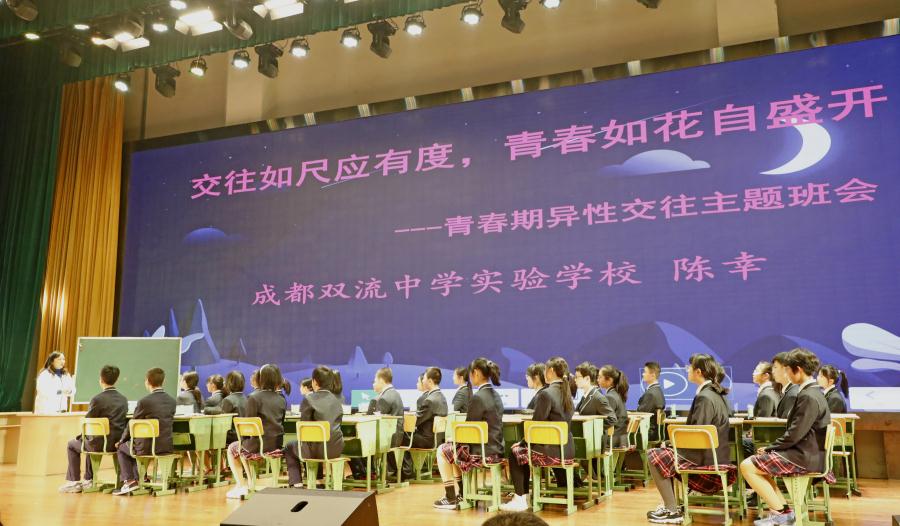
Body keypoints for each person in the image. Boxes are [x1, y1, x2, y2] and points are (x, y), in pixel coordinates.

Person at [741, 348, 833, 526]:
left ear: (798, 369)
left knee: (747, 466)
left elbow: (795, 434)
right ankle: (783, 512)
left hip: (804, 457)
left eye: (788, 370)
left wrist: (770, 447)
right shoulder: (812, 392)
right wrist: (772, 448)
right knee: (758, 466)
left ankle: (781, 514)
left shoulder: (808, 395)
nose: (786, 373)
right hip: (806, 454)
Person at [645, 354, 734, 524]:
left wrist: (671, 444)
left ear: (698, 372)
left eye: (689, 367)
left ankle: (672, 510)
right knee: (664, 451)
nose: (687, 370)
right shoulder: (717, 394)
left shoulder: (705, 397)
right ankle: (672, 506)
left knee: (653, 455)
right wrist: (671, 444)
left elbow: (696, 435)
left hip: (704, 458)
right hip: (715, 455)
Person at [502, 357, 575, 512]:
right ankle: (524, 497)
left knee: (515, 452)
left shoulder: (546, 394)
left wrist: (521, 443)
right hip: (567, 450)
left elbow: (534, 427)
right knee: (521, 450)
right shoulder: (566, 392)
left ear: (551, 371)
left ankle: (521, 499)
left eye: (545, 370)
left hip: (551, 451)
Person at [433, 358, 504, 510]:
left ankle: (450, 497)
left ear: (476, 373)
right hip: (496, 449)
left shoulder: (478, 397)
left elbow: (468, 430)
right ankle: (462, 493)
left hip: (482, 452)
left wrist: (454, 439)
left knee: (442, 450)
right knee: (452, 450)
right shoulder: (496, 395)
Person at [59, 365, 128, 493]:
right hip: (117, 444)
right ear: (116, 380)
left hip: (100, 444)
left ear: (101, 380)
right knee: (90, 441)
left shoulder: (97, 399)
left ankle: (74, 482)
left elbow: (88, 422)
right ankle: (88, 479)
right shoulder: (123, 400)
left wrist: (81, 436)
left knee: (73, 444)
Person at [224, 364, 286, 499]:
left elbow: (247, 426)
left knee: (232, 448)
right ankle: (249, 484)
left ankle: (241, 485)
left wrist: (243, 440)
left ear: (260, 378)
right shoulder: (281, 399)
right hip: (276, 445)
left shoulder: (253, 397)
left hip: (257, 446)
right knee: (242, 446)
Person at [113, 368, 177, 495]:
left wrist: (121, 440)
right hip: (165, 446)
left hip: (147, 447)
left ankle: (130, 481)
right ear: (163, 381)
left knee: (122, 447)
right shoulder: (172, 401)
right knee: (132, 446)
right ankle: (141, 478)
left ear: (147, 382)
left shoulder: (144, 401)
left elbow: (132, 424)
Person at [284, 366, 344, 488]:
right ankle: (318, 479)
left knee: (289, 446)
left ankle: (296, 483)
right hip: (336, 449)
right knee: (317, 441)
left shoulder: (309, 399)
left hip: (315, 451)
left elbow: (303, 428)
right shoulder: (337, 400)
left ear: (314, 382)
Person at [350, 367, 405, 479]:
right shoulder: (395, 393)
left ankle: (365, 473)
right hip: (397, 435)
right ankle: (367, 472)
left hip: (388, 438)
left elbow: (374, 423)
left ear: (381, 380)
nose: (373, 384)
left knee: (355, 443)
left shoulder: (383, 398)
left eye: (374, 381)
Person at [400, 367, 449, 478]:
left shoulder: (430, 400)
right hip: (438, 439)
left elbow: (415, 422)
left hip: (426, 440)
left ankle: (406, 472)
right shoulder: (441, 397)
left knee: (398, 435)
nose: (422, 381)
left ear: (430, 381)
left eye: (424, 379)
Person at [598, 365, 629, 447]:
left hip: (613, 440)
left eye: (600, 377)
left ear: (609, 380)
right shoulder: (617, 394)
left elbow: (609, 421)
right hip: (621, 439)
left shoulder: (610, 397)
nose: (598, 380)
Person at [637, 361, 666, 442]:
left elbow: (641, 415)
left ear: (653, 375)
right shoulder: (658, 390)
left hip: (648, 432)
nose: (643, 374)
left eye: (645, 372)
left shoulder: (651, 394)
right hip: (653, 431)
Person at [772, 353, 797, 418]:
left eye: (775, 367)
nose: (773, 371)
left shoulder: (792, 395)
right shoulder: (788, 391)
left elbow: (785, 421)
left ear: (786, 369)